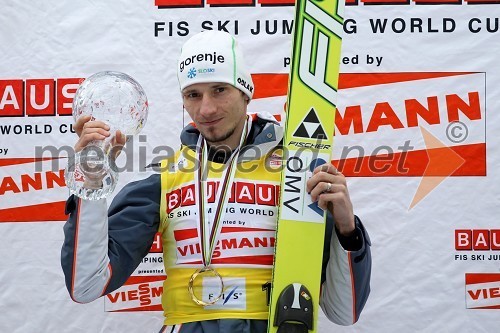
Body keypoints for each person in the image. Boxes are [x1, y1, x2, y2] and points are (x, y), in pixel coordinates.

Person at [61, 30, 372, 333]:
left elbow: (343, 312)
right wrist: (90, 186)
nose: (206, 109)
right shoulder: (164, 180)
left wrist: (347, 229)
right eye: (193, 95)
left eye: (219, 90)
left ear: (245, 91)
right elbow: (86, 284)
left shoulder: (297, 175)